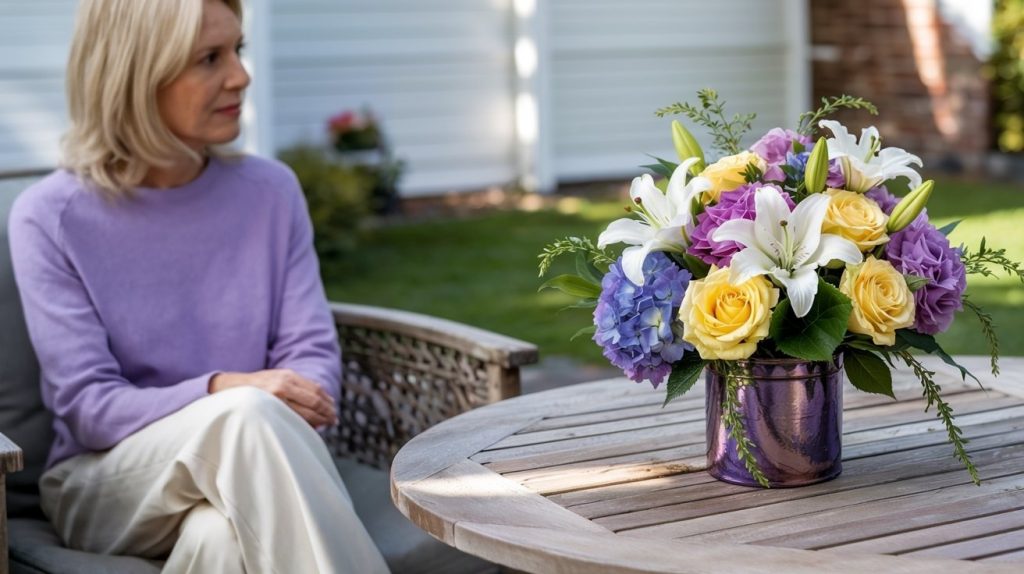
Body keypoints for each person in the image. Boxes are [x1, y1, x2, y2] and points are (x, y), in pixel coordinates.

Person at [7, 0, 390, 572]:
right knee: (246, 416)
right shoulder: (50, 215)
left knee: (219, 539)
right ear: (136, 74)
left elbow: (309, 351)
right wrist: (224, 390)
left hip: (259, 458)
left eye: (238, 49)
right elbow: (89, 407)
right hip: (104, 485)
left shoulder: (270, 192)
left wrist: (282, 402)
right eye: (209, 58)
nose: (240, 75)